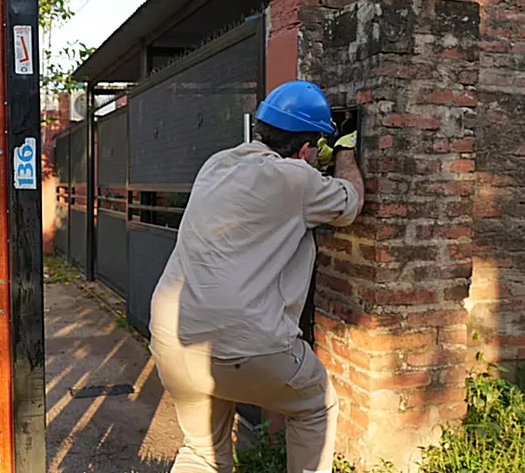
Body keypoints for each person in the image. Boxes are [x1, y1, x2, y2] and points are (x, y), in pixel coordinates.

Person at [148, 80, 366, 473]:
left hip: (172, 341)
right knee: (316, 406)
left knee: (201, 450)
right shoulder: (299, 179)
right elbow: (351, 201)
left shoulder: (217, 164)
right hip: (248, 347)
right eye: (316, 149)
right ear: (304, 150)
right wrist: (346, 148)